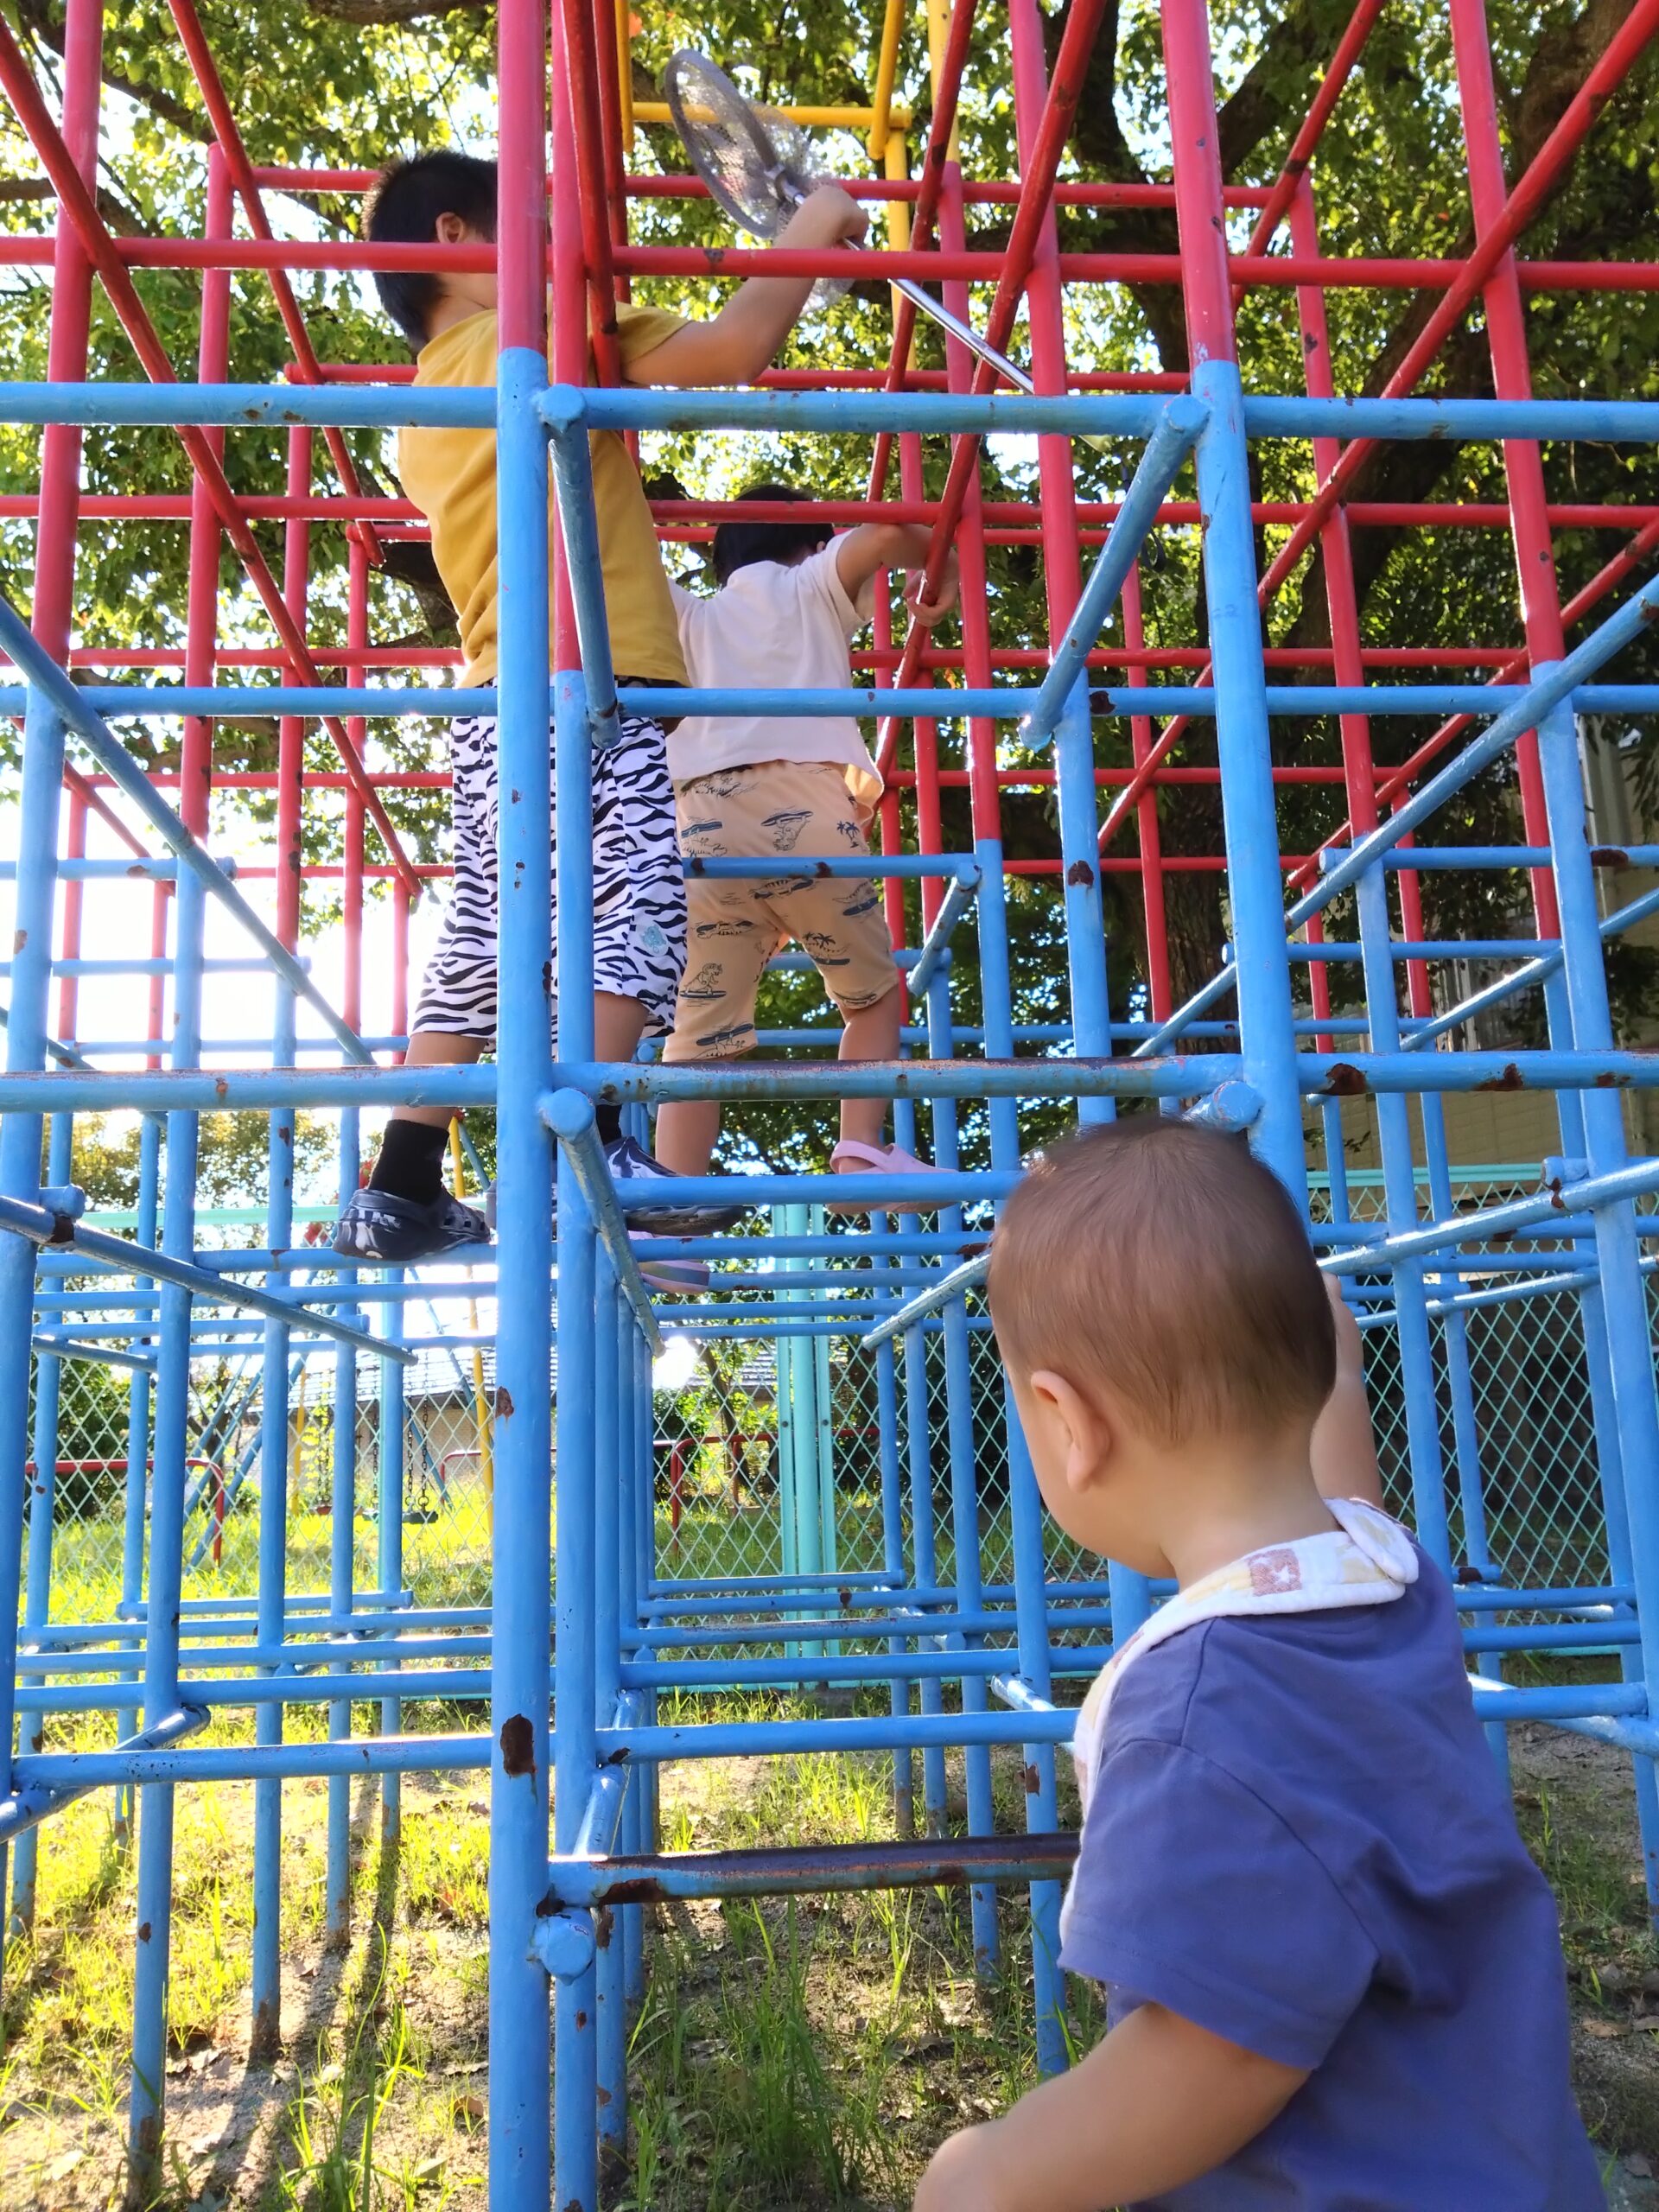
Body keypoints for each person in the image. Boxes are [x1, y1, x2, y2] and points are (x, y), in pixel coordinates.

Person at [916, 1117, 1601, 2212]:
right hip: (1499, 2158)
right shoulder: (1386, 1574)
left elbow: (1220, 2048)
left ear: (1066, 1423)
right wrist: (1315, 1338)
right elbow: (1338, 1478)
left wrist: (995, 2173)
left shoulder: (1196, 1715)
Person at [332, 153, 869, 1264]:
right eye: (523, 231)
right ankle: (603, 1134)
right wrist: (814, 222)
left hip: (490, 701)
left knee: (491, 918)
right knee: (641, 895)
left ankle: (402, 1176)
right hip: (586, 690)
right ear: (454, 236)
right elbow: (732, 350)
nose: (548, 255)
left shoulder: (422, 411)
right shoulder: (535, 341)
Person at [652, 485, 959, 1205]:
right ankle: (857, 1153)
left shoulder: (688, 614)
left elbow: (600, 572)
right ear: (814, 543)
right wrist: (934, 576)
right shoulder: (812, 581)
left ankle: (668, 1213)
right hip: (809, 812)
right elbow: (887, 536)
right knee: (874, 998)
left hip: (701, 826)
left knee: (698, 1040)